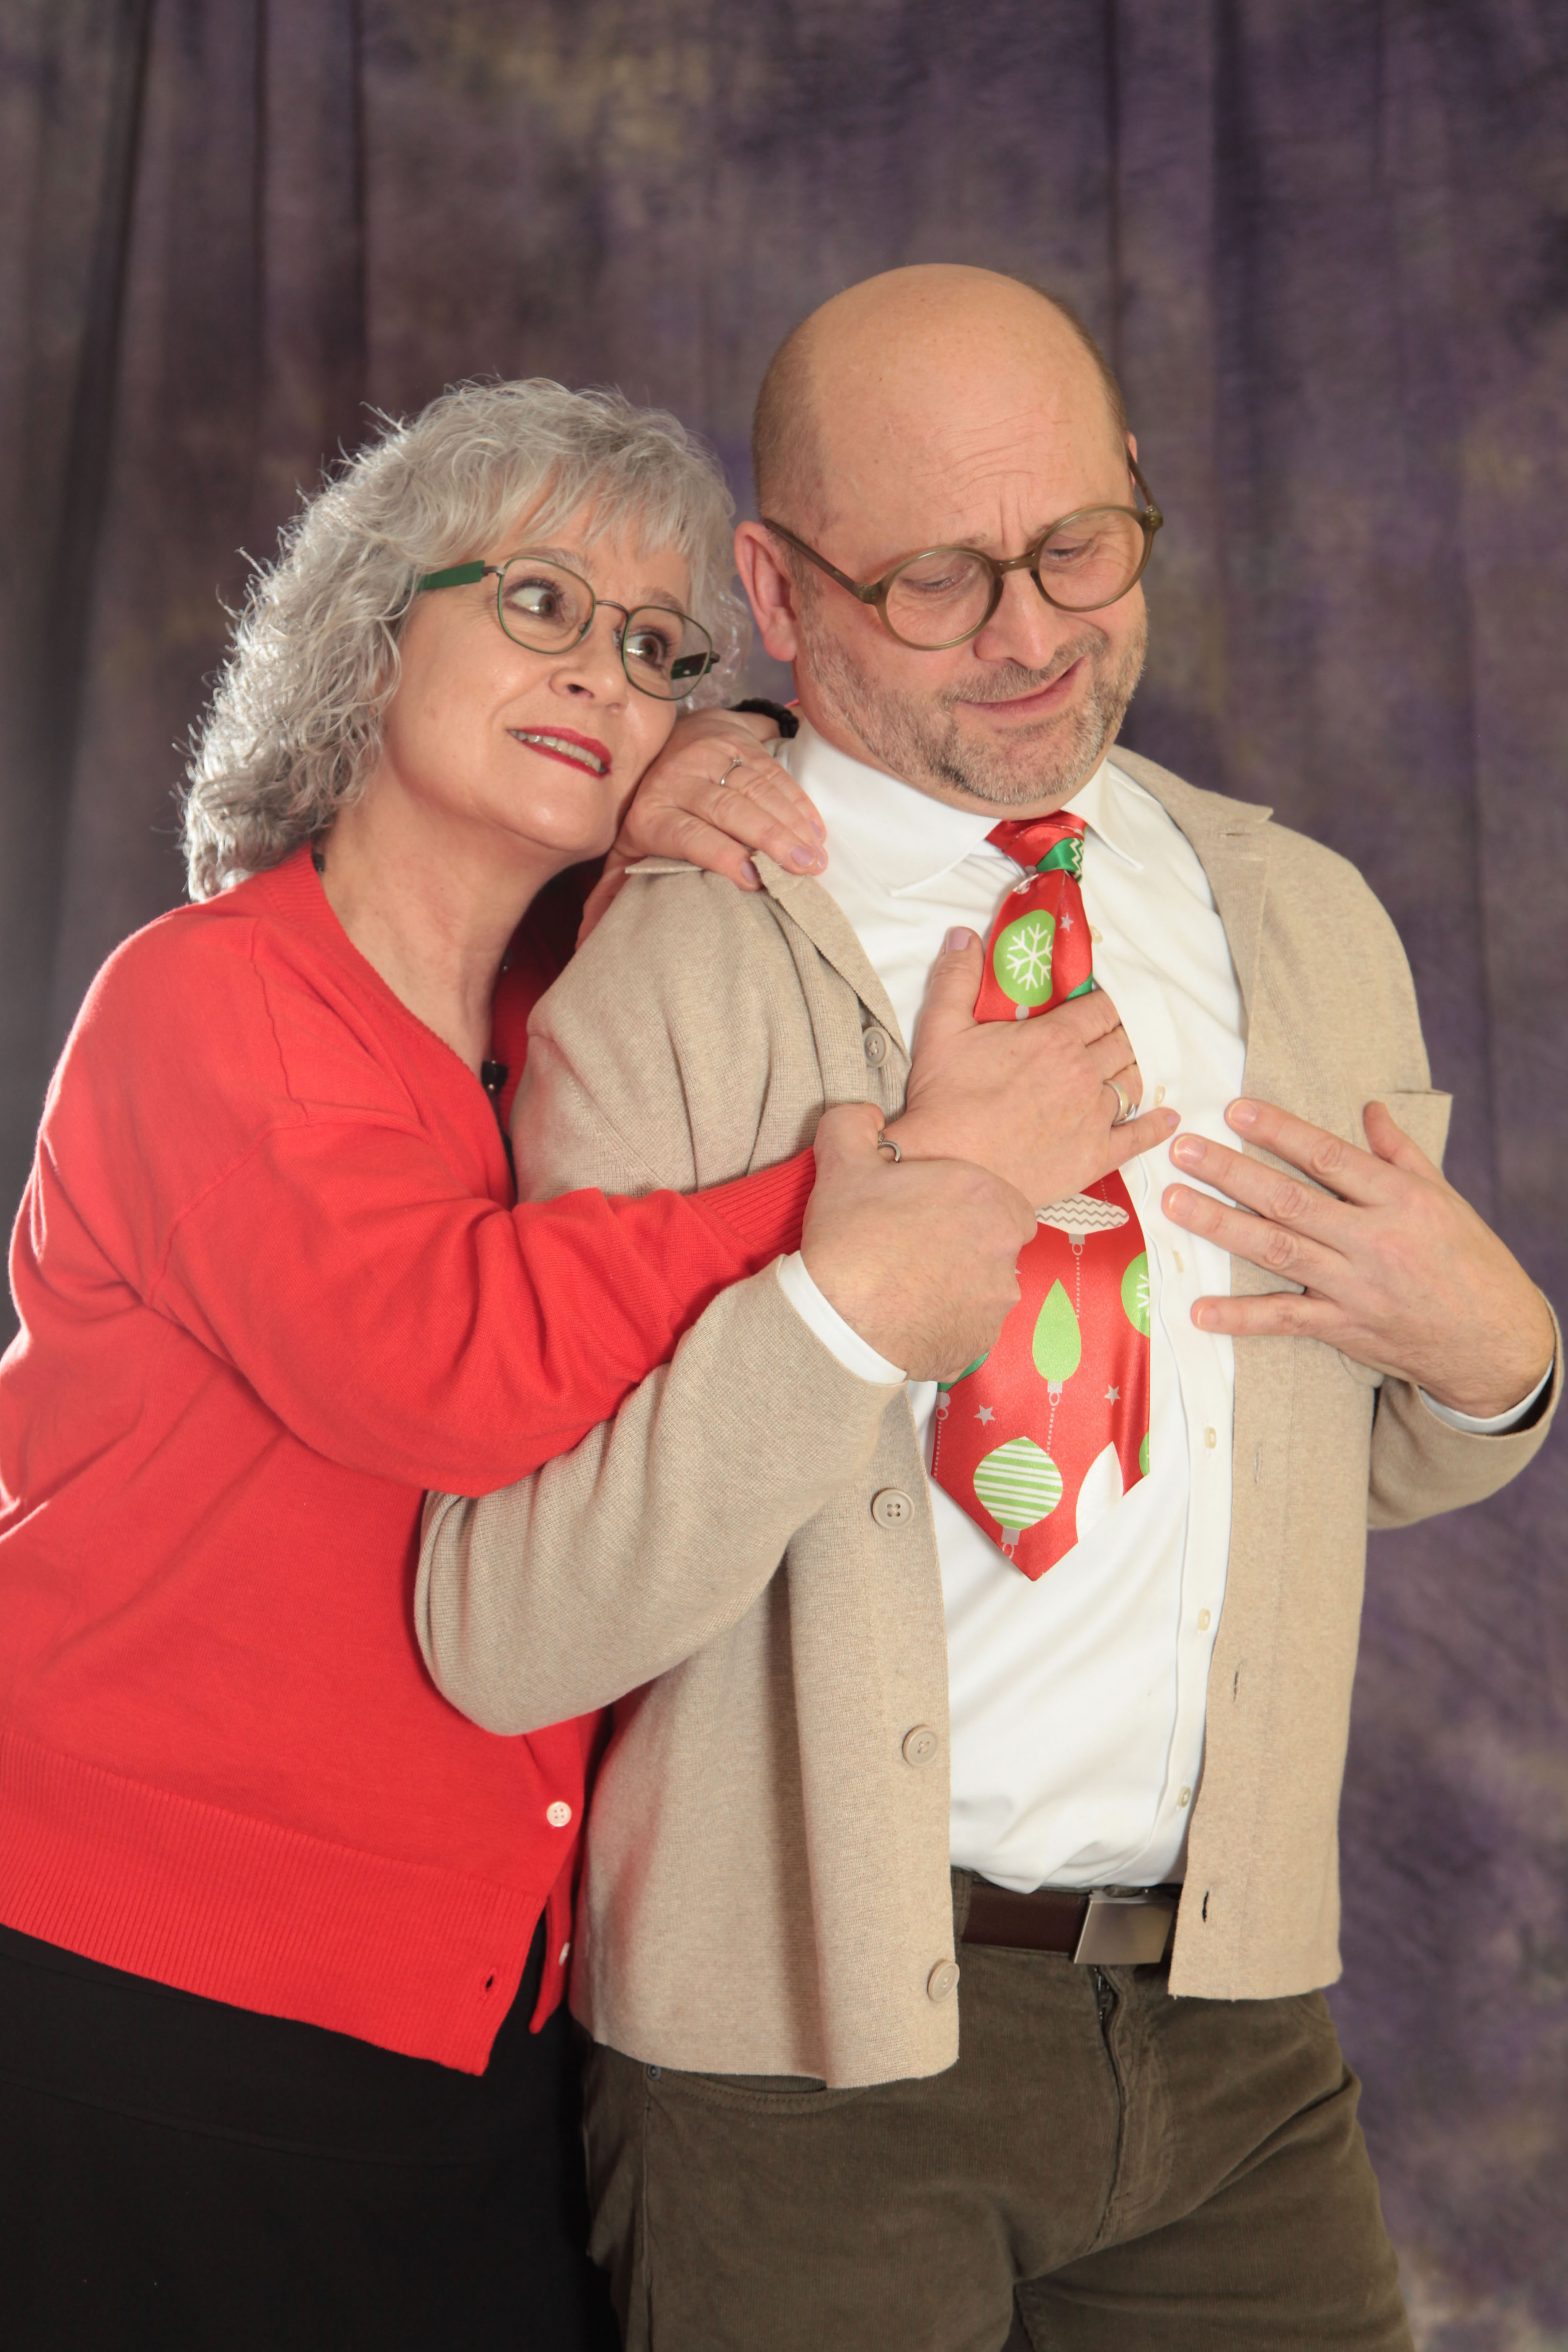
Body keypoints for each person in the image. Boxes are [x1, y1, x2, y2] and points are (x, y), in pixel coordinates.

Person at [418, 269, 1560, 2352]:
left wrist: (1505, 1376)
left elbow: (1282, 1454)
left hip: (1236, 2040)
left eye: (1077, 548)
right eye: (936, 580)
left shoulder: (1302, 923)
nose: (1031, 633)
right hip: (795, 2072)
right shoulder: (667, 970)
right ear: (778, 590)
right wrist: (880, 1278)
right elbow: (514, 1624)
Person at [0, 373, 1053, 2351]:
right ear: (370, 633)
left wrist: (711, 766)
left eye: (656, 650)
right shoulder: (210, 1003)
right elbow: (451, 1364)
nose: (604, 672)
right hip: (143, 1994)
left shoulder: (560, 1040)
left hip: (474, 2010)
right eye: (542, 605)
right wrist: (874, 1200)